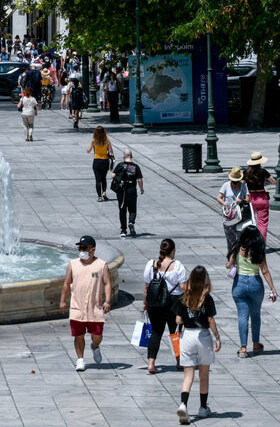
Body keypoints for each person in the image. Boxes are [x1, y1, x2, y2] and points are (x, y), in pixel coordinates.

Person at [174, 266, 221, 424]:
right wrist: (218, 337)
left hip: (187, 336)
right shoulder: (207, 298)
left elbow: (178, 320)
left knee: (188, 375)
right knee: (204, 375)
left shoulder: (184, 297)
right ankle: (202, 408)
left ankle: (183, 405)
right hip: (203, 336)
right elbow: (210, 320)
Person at [59, 235, 111, 372]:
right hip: (77, 307)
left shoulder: (101, 265)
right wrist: (62, 300)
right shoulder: (73, 264)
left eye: (84, 248)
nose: (81, 250)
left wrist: (107, 301)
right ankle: (80, 359)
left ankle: (95, 346)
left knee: (97, 336)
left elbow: (107, 283)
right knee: (78, 335)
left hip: (95, 308)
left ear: (92, 250)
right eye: (80, 248)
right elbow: (66, 283)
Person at [225, 225, 277, 358]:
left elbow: (228, 265)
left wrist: (233, 258)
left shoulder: (237, 248)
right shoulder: (259, 251)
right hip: (255, 284)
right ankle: (255, 344)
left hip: (239, 284)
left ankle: (243, 348)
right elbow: (265, 271)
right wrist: (273, 289)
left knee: (242, 316)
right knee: (255, 315)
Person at [143, 238, 187, 373]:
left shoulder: (151, 264)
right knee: (175, 333)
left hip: (154, 303)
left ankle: (151, 363)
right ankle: (179, 361)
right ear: (173, 251)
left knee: (156, 332)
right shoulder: (178, 265)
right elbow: (183, 287)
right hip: (174, 303)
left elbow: (146, 287)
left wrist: (145, 303)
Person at [112, 149, 144, 238]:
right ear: (132, 156)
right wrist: (141, 189)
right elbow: (139, 180)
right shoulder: (135, 167)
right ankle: (131, 222)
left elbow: (113, 175)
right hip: (131, 189)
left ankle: (123, 230)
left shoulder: (120, 165)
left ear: (123, 156)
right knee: (132, 209)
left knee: (122, 209)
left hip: (122, 190)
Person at [217, 167, 249, 253]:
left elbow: (248, 199)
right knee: (230, 239)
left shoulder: (243, 186)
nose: (234, 184)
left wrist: (242, 201)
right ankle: (231, 259)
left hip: (240, 216)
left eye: (236, 181)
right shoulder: (226, 185)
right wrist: (225, 205)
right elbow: (219, 197)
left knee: (241, 238)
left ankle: (240, 257)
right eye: (233, 181)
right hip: (229, 216)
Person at [243, 152, 276, 238]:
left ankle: (251, 244)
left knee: (250, 222)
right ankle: (261, 246)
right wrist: (265, 181)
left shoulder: (246, 172)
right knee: (262, 223)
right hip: (262, 198)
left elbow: (242, 184)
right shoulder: (263, 171)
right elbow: (274, 182)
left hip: (251, 198)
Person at [86, 126, 113, 202]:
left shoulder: (94, 141)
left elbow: (88, 151)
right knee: (103, 178)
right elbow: (111, 152)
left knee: (98, 180)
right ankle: (104, 192)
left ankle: (99, 197)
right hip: (105, 161)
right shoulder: (107, 141)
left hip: (96, 161)